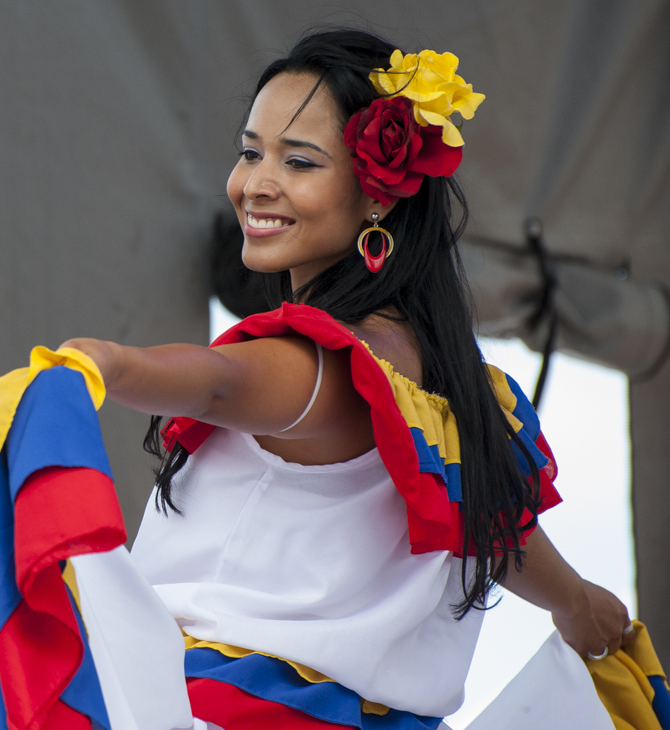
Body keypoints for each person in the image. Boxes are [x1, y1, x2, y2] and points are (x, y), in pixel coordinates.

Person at [59, 30, 633, 728]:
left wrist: (107, 365)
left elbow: (217, 382)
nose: (256, 183)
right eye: (250, 152)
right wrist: (575, 600)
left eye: (298, 161)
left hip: (225, 707)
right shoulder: (459, 396)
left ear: (377, 197)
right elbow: (495, 529)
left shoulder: (326, 361)